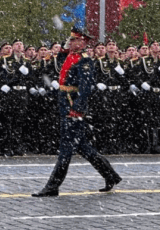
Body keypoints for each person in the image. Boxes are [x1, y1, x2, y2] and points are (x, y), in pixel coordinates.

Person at [32, 27, 122, 197]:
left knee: (66, 149)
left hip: (73, 106)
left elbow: (86, 88)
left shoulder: (84, 60)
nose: (70, 42)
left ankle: (52, 186)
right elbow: (58, 64)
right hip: (65, 103)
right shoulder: (70, 56)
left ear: (82, 42)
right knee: (82, 147)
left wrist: (77, 109)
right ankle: (111, 176)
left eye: (74, 40)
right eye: (70, 40)